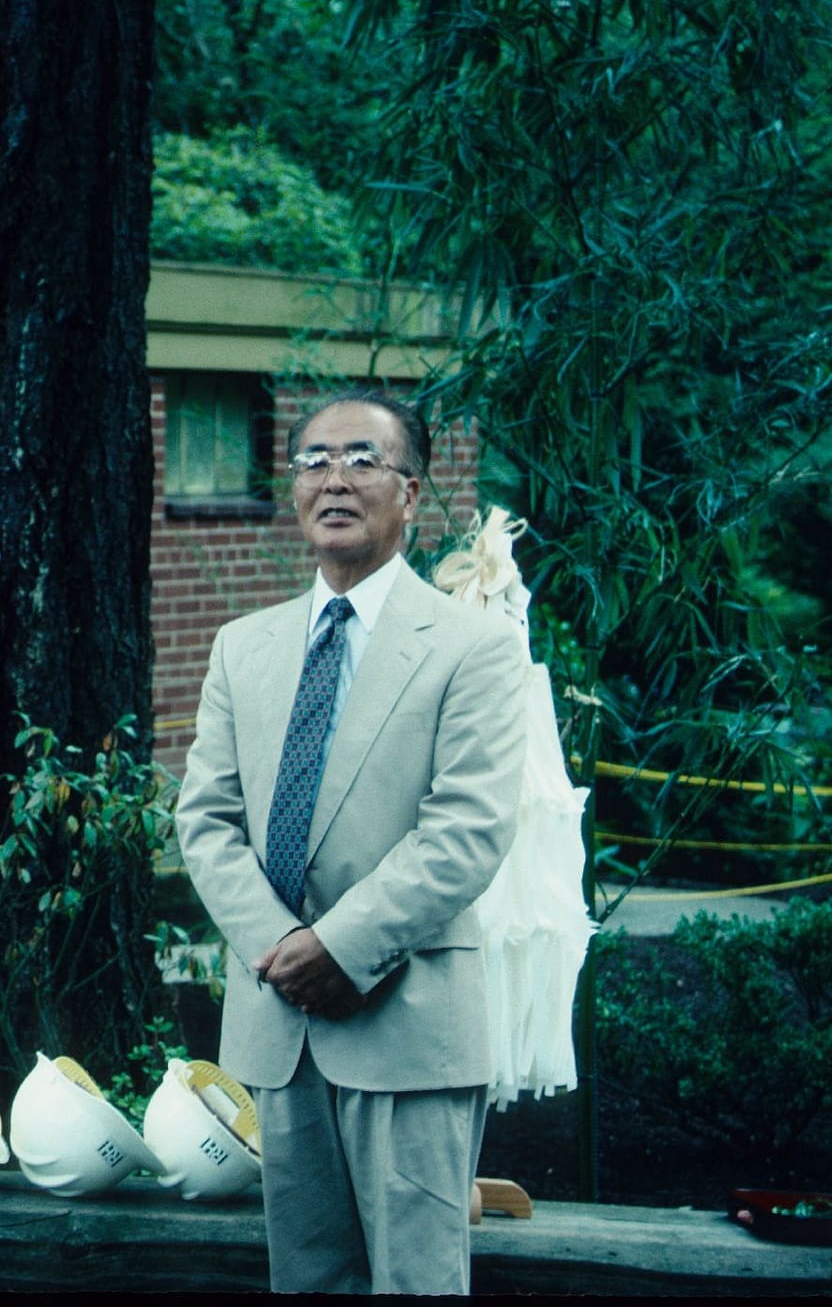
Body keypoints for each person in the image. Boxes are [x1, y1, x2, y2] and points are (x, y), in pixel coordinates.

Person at [176, 390, 526, 1294]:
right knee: (309, 1282)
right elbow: (205, 821)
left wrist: (339, 946)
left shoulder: (471, 648)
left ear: (410, 495)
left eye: (364, 459)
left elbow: (468, 830)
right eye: (314, 460)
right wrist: (281, 949)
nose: (335, 477)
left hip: (407, 1025)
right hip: (279, 1025)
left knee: (416, 1284)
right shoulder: (240, 647)